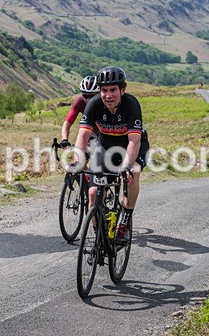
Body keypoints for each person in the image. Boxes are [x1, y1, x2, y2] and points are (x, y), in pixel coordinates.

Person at [73, 66, 149, 244]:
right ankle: (99, 235)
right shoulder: (94, 104)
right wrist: (77, 162)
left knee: (133, 173)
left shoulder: (131, 104)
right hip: (106, 148)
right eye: (104, 90)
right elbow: (82, 137)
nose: (108, 95)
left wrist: (126, 167)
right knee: (92, 194)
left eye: (113, 90)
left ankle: (124, 221)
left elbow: (134, 141)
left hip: (132, 147)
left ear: (122, 90)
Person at [58, 75, 98, 149]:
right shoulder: (80, 101)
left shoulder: (106, 102)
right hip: (91, 130)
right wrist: (64, 139)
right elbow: (67, 123)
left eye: (92, 96)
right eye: (85, 96)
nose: (88, 100)